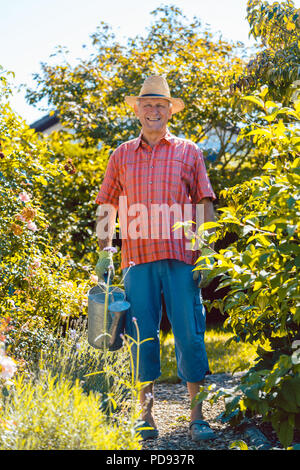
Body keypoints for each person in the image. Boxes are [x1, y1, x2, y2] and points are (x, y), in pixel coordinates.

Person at [94, 75, 216, 441]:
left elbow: (204, 201)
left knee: (190, 335)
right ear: (138, 111)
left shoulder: (188, 151)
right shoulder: (121, 155)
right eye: (147, 105)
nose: (153, 111)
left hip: (181, 257)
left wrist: (207, 250)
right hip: (138, 259)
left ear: (169, 112)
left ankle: (197, 416)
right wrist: (105, 251)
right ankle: (145, 414)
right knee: (140, 335)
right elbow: (106, 203)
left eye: (160, 105)